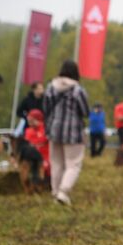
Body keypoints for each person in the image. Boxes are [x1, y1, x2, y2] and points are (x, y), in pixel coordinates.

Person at [42, 60, 90, 205]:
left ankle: (55, 193)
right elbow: (85, 111)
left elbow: (45, 108)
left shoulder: (50, 87)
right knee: (73, 164)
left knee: (56, 163)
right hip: (72, 132)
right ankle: (63, 192)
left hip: (54, 130)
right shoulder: (78, 90)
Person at [17, 108, 50, 190]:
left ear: (38, 120)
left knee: (46, 167)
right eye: (28, 120)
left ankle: (47, 183)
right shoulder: (28, 131)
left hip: (45, 157)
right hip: (31, 158)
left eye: (31, 120)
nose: (29, 122)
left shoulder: (46, 130)